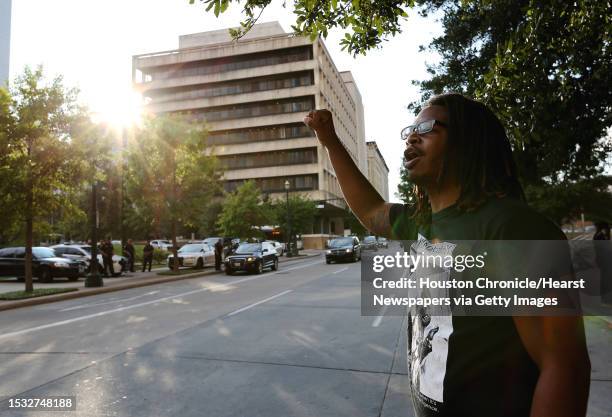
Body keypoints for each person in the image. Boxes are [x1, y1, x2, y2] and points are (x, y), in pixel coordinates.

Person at [304, 93, 590, 417]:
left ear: (468, 141)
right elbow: (371, 211)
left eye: (427, 127)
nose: (412, 137)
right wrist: (329, 141)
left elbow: (564, 366)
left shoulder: (512, 227)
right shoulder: (420, 223)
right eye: (409, 131)